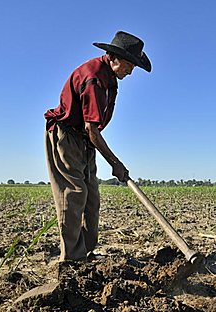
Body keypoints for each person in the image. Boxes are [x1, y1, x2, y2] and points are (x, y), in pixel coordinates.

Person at [44, 31, 152, 261]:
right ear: (113, 57)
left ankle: (87, 252)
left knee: (91, 199)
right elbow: (92, 129)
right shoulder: (94, 78)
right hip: (67, 137)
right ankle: (72, 259)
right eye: (130, 64)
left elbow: (92, 131)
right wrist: (116, 163)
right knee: (73, 194)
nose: (131, 71)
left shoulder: (110, 78)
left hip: (85, 140)